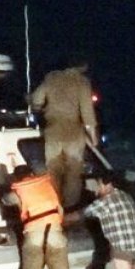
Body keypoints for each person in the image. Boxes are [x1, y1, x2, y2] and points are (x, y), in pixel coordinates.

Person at [29, 56, 98, 209]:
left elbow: (36, 99)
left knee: (52, 172)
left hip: (53, 132)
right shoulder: (82, 82)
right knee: (73, 173)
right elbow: (87, 113)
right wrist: (94, 138)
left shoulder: (51, 78)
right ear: (83, 67)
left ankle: (53, 206)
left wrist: (37, 108)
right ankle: (69, 208)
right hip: (73, 133)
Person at [68, 172, 135, 269]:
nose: (97, 188)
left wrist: (57, 217)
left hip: (123, 249)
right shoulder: (125, 196)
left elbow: (80, 215)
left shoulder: (106, 201)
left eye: (99, 185)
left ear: (107, 185)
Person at [2, 167, 74, 269]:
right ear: (32, 174)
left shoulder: (18, 191)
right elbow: (60, 211)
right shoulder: (48, 186)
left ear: (17, 178)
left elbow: (6, 200)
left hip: (34, 236)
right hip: (55, 234)